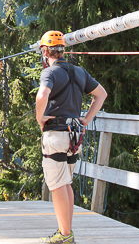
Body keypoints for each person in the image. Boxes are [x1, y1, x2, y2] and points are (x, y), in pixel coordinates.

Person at [35, 30, 107, 244]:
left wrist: (40, 118)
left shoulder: (50, 73)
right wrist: (86, 119)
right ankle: (65, 231)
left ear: (45, 51)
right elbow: (101, 94)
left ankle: (65, 236)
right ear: (62, 50)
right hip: (75, 135)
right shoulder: (79, 72)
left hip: (56, 133)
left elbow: (42, 95)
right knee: (66, 183)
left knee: (57, 185)